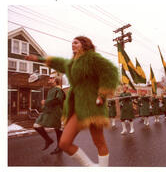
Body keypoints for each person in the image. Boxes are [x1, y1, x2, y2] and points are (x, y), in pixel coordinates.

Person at [26, 36, 119, 167]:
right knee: (64, 143)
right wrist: (37, 59)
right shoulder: (71, 64)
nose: (73, 45)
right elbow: (58, 62)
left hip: (92, 106)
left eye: (76, 42)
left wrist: (102, 95)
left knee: (99, 142)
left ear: (84, 44)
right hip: (76, 107)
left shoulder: (93, 58)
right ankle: (91, 167)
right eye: (72, 43)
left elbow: (111, 72)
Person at [32, 72, 65, 155]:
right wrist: (43, 107)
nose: (49, 79)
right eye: (49, 78)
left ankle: (59, 147)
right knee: (36, 125)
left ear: (55, 80)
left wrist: (46, 102)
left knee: (58, 129)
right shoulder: (51, 90)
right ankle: (48, 140)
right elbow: (49, 102)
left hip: (55, 113)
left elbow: (58, 100)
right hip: (47, 112)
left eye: (51, 78)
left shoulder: (59, 90)